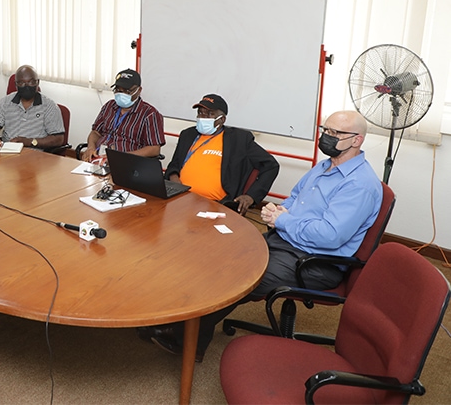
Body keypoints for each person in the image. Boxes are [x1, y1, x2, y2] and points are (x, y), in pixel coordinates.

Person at [138, 110, 382, 362]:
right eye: (325, 130)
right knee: (217, 255)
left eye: (336, 133)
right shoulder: (324, 166)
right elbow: (296, 197)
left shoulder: (359, 184)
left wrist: (284, 219)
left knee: (235, 275)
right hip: (286, 240)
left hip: (315, 261)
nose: (327, 137)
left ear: (357, 140)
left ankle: (186, 340)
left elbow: (330, 236)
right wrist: (279, 210)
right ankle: (176, 319)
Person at [163, 94, 279, 215]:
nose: (203, 117)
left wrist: (251, 196)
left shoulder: (239, 140)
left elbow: (271, 166)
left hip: (215, 205)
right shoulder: (188, 135)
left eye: (210, 114)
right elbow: (174, 164)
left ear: (222, 119)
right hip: (179, 198)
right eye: (200, 113)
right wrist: (174, 180)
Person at [83, 69, 165, 161]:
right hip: (98, 158)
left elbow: (154, 149)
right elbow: (95, 132)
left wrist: (122, 157)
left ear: (139, 90)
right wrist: (91, 147)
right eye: (118, 90)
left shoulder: (150, 114)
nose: (122, 94)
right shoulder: (109, 106)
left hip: (127, 163)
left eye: (127, 91)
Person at [0, 65, 65, 150]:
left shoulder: (49, 106)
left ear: (38, 82)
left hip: (35, 154)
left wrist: (30, 142)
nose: (27, 86)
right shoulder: (5, 102)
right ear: (16, 85)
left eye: (31, 82)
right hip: (7, 152)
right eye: (21, 83)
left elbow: (58, 139)